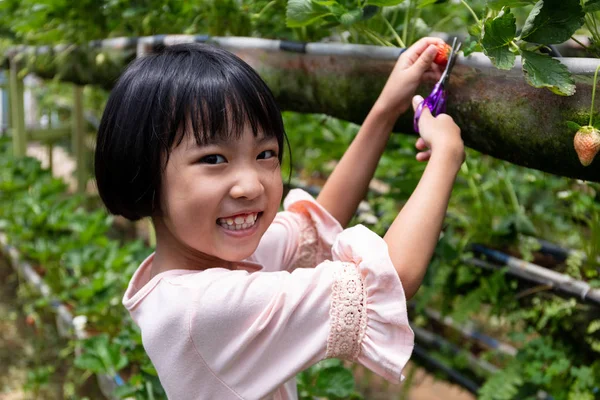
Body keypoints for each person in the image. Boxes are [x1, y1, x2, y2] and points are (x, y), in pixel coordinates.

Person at [94, 38, 464, 400]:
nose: (251, 185)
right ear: (143, 173)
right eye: (213, 159)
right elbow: (390, 279)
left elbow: (314, 225)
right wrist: (446, 153)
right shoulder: (202, 310)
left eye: (265, 153)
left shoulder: (210, 264)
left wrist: (386, 108)